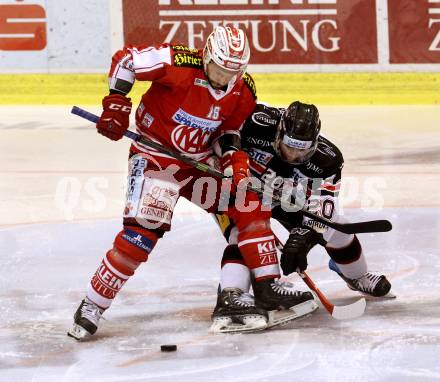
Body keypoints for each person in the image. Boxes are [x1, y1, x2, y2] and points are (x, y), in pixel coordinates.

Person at [68, 27, 315, 340]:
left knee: (250, 200)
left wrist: (234, 164)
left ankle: (267, 287)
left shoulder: (244, 90)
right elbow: (126, 60)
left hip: (199, 163)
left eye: (232, 72)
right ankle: (93, 304)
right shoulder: (178, 62)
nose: (224, 78)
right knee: (142, 233)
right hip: (157, 158)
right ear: (207, 56)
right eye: (219, 69)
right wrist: (116, 103)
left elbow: (228, 132)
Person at [210, 101, 392, 333]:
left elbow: (323, 207)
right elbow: (219, 133)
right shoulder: (255, 122)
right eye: (290, 148)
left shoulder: (329, 159)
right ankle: (233, 294)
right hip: (237, 191)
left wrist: (304, 237)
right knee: (244, 235)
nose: (295, 155)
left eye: (303, 150)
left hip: (287, 198)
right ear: (279, 133)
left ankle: (358, 276)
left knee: (337, 227)